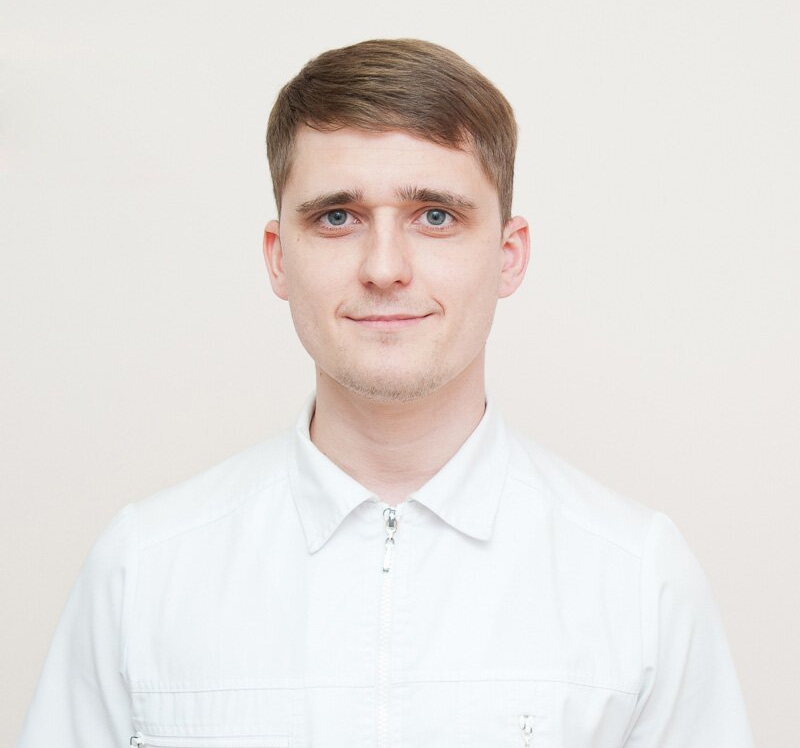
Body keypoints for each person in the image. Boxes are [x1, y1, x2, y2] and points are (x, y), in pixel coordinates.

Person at [17, 39, 754, 748]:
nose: (384, 267)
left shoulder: (636, 574)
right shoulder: (144, 568)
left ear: (509, 255)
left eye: (436, 216)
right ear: (279, 258)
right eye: (337, 217)